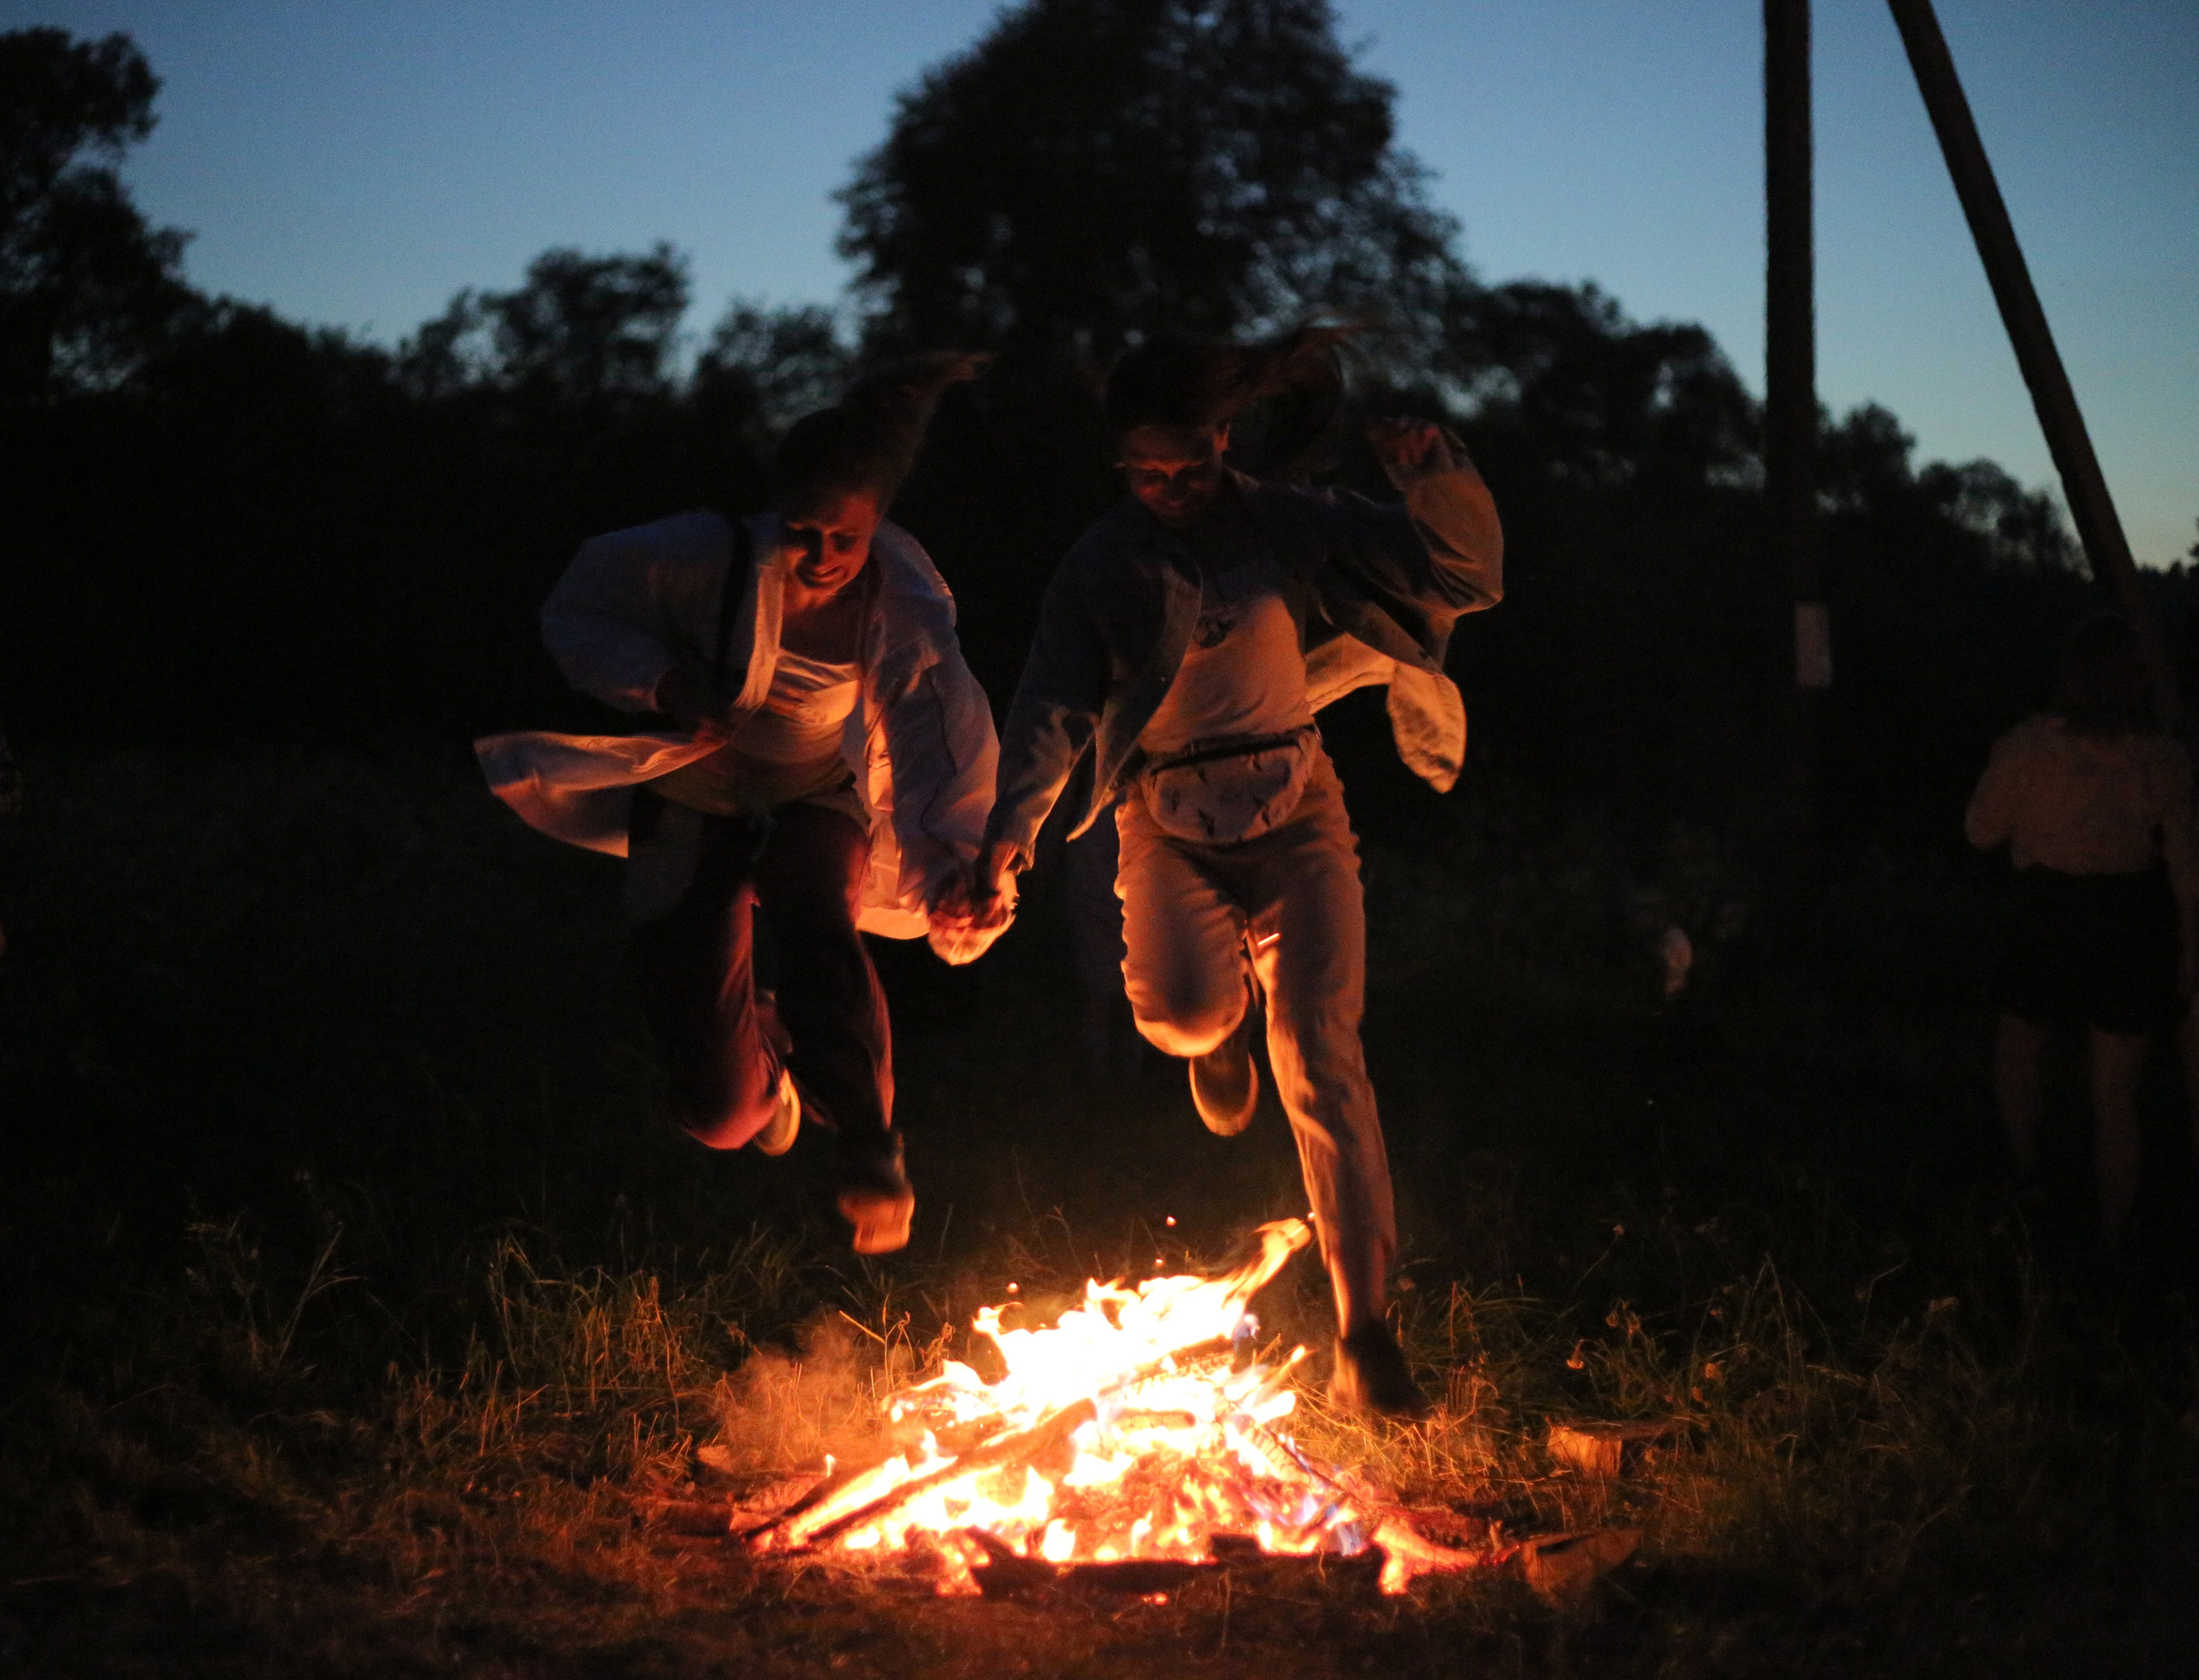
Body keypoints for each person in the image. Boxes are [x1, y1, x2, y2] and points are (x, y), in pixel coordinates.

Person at [944, 326, 1502, 1415]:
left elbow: (1460, 577)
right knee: (1181, 1017)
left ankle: (1365, 1329)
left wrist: (1432, 474)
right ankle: (1220, 1027)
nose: (1169, 488)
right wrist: (1008, 839)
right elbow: (1051, 705)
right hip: (1166, 819)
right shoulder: (1101, 565)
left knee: (1321, 1054)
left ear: (1223, 441)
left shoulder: (1287, 521)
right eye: (1145, 472)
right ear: (1121, 464)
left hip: (1296, 805)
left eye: (1189, 467)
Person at [477, 355, 1000, 1254]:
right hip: (692, 795)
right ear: (774, 514)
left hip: (813, 792)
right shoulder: (700, 555)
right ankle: (762, 1057)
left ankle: (870, 1145)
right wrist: (667, 684)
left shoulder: (900, 601)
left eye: (844, 538)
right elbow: (580, 609)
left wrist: (950, 864)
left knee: (818, 918)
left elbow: (930, 735)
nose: (822, 556)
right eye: (803, 532)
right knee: (716, 1114)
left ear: (876, 525)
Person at [1966, 612, 2199, 1247]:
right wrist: (2187, 945)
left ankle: (2028, 1175)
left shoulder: (2028, 747)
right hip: (2129, 919)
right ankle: (2114, 1235)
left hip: (2051, 913)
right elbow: (2183, 863)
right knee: (2115, 1095)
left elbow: (1980, 831)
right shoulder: (2164, 757)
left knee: (2020, 1053)